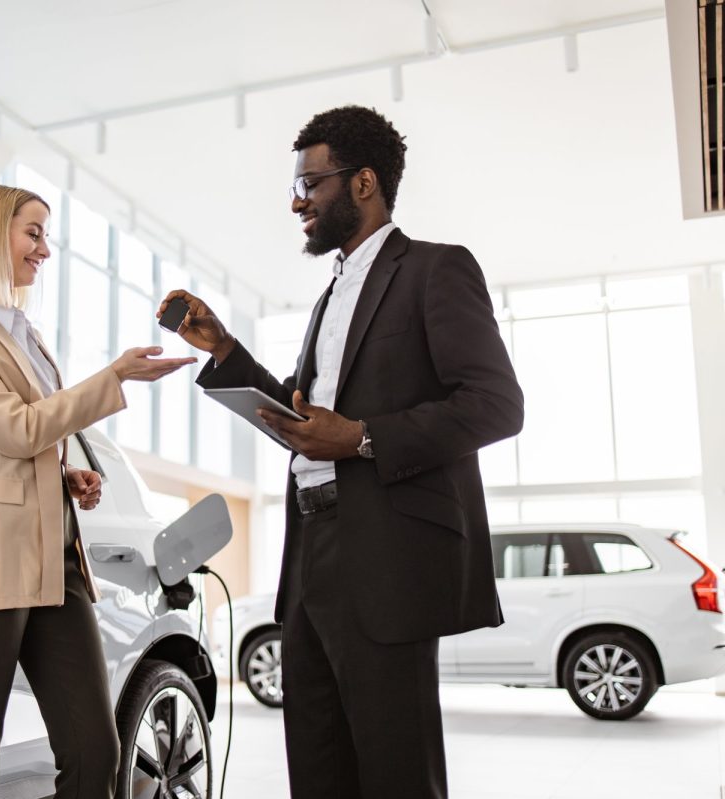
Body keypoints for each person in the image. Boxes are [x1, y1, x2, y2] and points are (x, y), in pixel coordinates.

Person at [159, 106, 524, 798]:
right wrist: (225, 350)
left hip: (386, 559)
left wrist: (359, 438)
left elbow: (497, 404)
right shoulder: (331, 295)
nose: (298, 200)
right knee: (318, 769)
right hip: (310, 556)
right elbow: (305, 421)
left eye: (311, 182)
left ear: (362, 184)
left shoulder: (436, 271)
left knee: (394, 773)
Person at [0, 183, 196, 799]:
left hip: (56, 562)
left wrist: (63, 475)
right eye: (33, 232)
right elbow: (12, 430)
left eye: (47, 235)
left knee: (96, 750)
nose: (46, 249)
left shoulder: (25, 332)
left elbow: (21, 442)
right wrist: (115, 375)